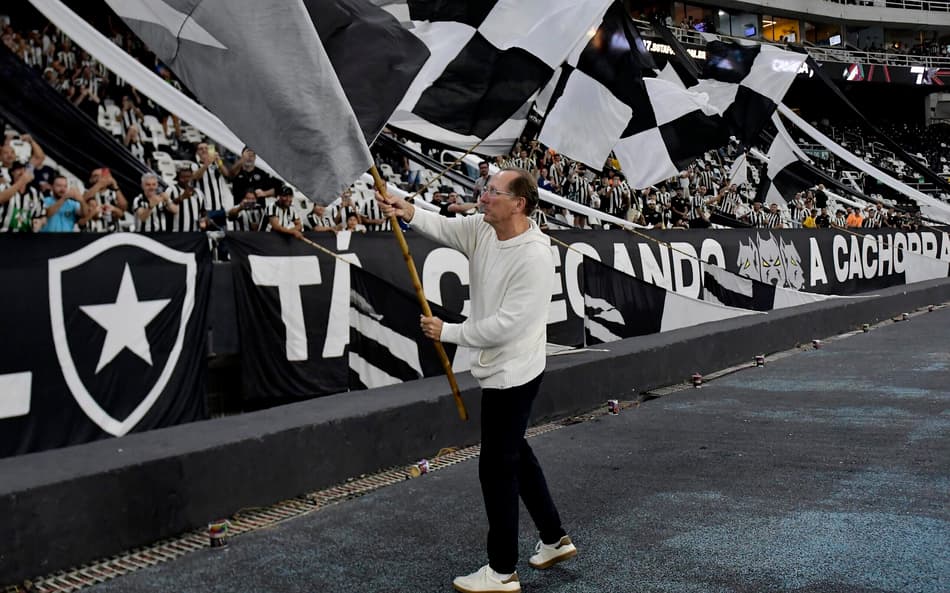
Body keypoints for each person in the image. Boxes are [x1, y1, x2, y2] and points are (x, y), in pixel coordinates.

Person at [376, 167, 575, 593]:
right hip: (500, 367)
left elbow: (506, 326)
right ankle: (554, 538)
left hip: (514, 372)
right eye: (484, 189)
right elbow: (445, 227)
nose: (482, 197)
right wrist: (407, 210)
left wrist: (447, 332)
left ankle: (502, 572)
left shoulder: (534, 257)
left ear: (518, 204)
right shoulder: (483, 228)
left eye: (492, 192)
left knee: (496, 468)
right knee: (514, 453)